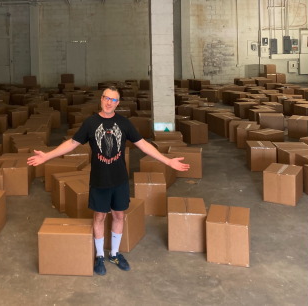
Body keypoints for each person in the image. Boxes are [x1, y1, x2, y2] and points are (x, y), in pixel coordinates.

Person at [28, 86, 189, 275]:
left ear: (117, 103)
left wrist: (168, 160)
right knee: (99, 217)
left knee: (119, 216)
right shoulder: (90, 123)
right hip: (99, 180)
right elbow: (71, 144)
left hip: (119, 179)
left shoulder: (124, 123)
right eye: (106, 98)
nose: (108, 102)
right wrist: (47, 156)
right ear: (101, 99)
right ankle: (99, 256)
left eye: (113, 100)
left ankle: (114, 253)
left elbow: (144, 145)